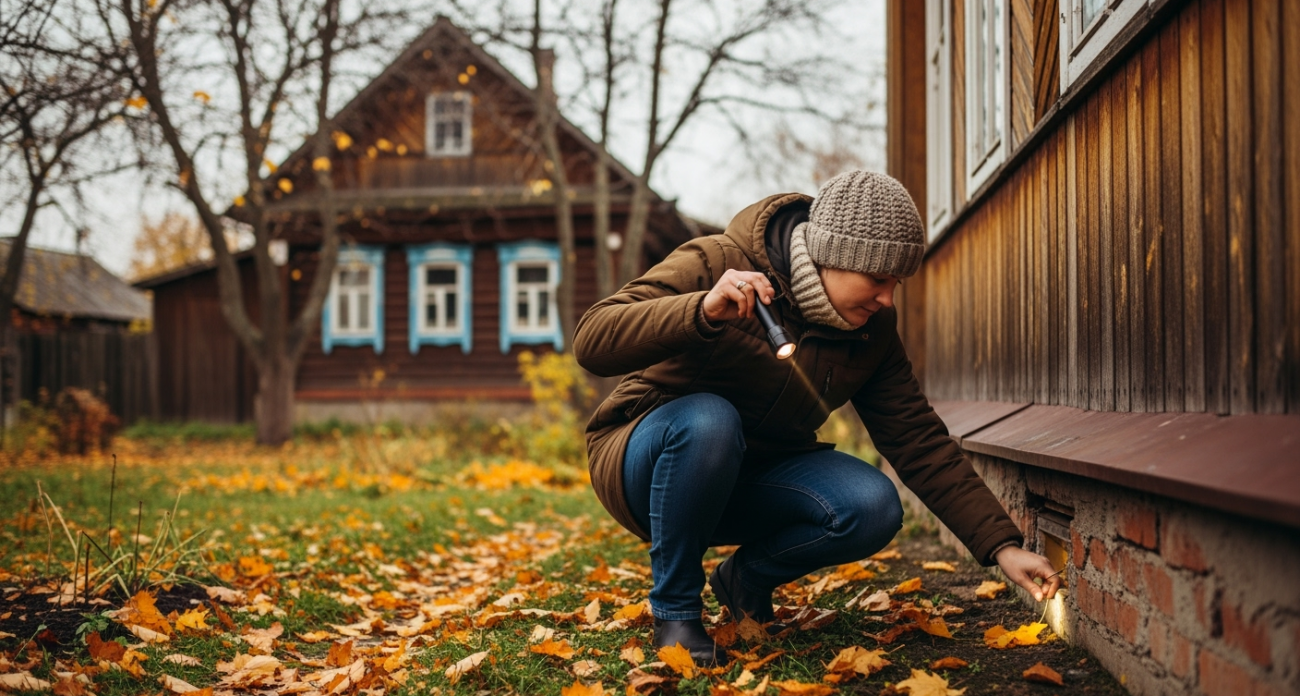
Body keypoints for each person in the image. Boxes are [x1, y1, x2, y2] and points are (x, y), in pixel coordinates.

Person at [572, 171, 1060, 666]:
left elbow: (916, 436)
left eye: (896, 283)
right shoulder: (719, 261)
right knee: (709, 420)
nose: (888, 299)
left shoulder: (872, 330)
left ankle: (744, 580)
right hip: (650, 462)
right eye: (878, 279)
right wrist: (702, 309)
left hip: (754, 476)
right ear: (833, 257)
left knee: (870, 504)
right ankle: (676, 614)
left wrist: (1000, 545)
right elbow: (592, 339)